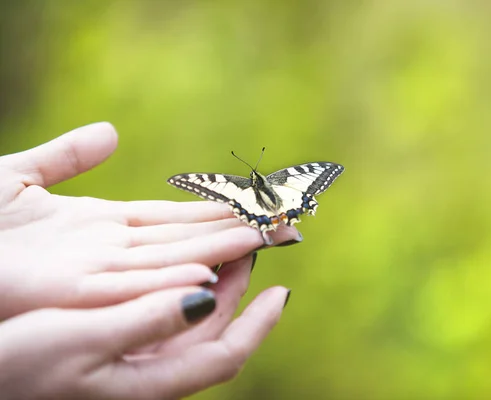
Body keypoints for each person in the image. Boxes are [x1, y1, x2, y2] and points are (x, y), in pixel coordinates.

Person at [0, 122, 299, 399]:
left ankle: (276, 215)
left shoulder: (244, 185)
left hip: (256, 210)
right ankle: (284, 213)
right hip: (267, 206)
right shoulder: (254, 185)